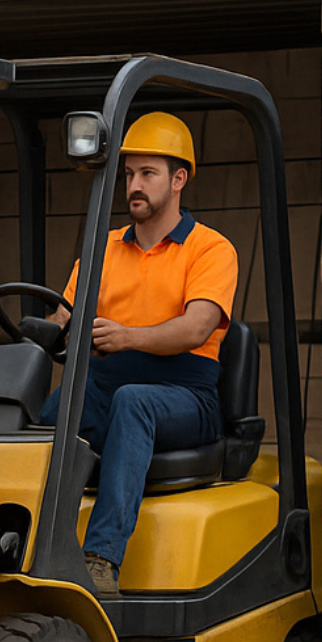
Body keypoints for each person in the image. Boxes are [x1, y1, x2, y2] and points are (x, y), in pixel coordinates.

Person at [41, 112, 238, 598]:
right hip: (109, 383)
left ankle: (101, 559)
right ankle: (20, 542)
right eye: (129, 174)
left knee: (134, 401)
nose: (134, 185)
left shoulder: (210, 249)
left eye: (147, 174)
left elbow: (196, 328)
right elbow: (62, 319)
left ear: (178, 179)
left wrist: (127, 337)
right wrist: (36, 335)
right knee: (49, 413)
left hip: (187, 395)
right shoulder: (102, 249)